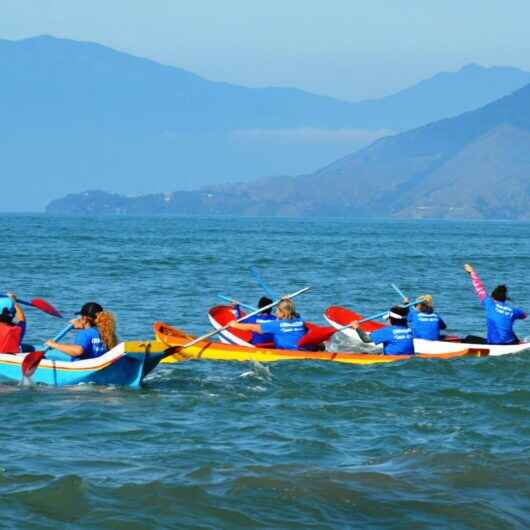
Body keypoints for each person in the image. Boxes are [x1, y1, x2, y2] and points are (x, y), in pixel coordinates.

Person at [464, 263, 526, 344]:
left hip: (494, 343)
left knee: (468, 338)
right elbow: (524, 315)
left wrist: (471, 272)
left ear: (493, 297)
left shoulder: (489, 303)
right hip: (510, 343)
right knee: (508, 328)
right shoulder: (513, 310)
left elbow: (479, 288)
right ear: (504, 299)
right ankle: (518, 342)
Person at [45, 302, 118, 361]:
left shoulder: (84, 334)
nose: (78, 319)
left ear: (84, 318)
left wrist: (53, 344)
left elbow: (78, 351)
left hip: (82, 367)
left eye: (79, 317)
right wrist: (82, 327)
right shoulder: (107, 332)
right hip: (99, 364)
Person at [229, 298, 306, 350]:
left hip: (284, 352)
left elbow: (251, 327)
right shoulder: (300, 321)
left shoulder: (275, 324)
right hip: (300, 350)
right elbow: (293, 314)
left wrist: (234, 324)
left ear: (283, 312)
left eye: (277, 310)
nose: (276, 312)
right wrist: (286, 302)